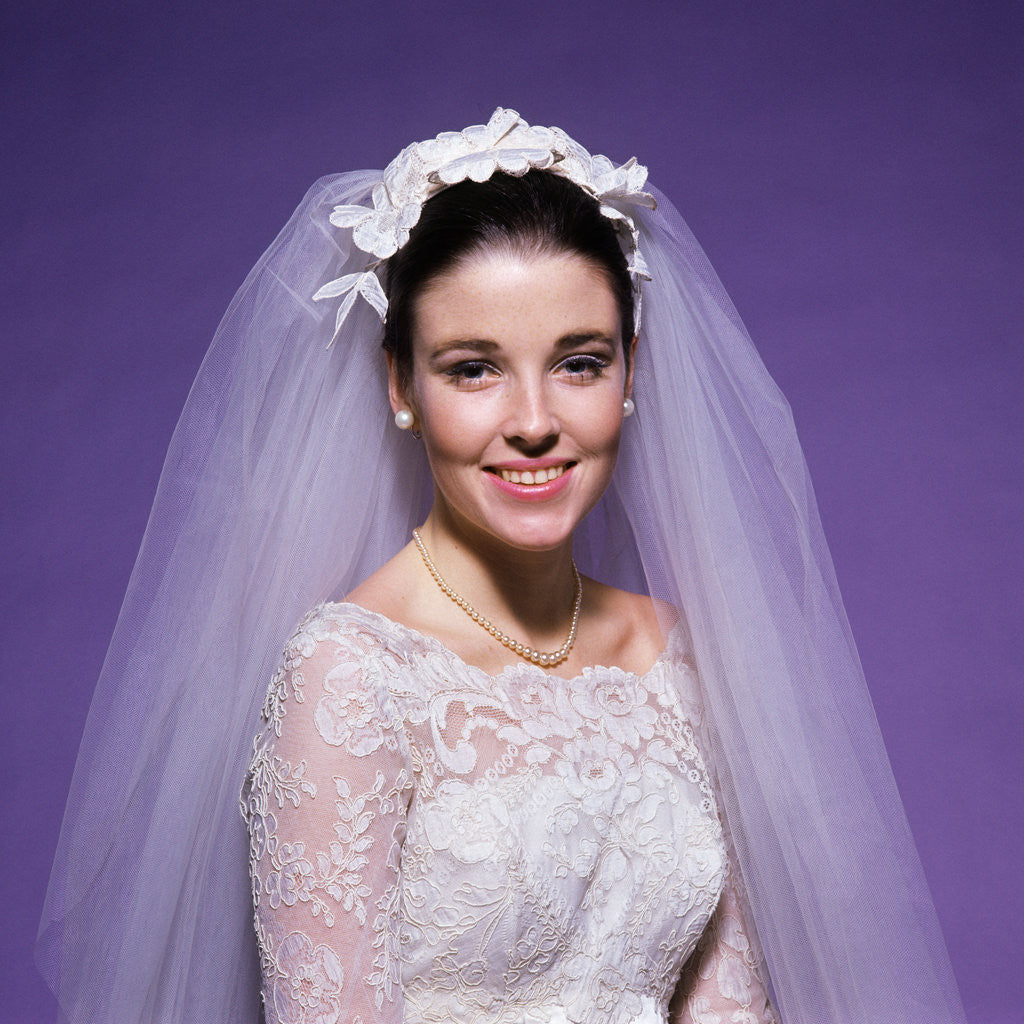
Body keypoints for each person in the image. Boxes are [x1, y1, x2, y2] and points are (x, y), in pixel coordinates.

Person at [39, 110, 966, 1024]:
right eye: (474, 369)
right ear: (401, 384)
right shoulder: (350, 675)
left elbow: (730, 1007)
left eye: (578, 362)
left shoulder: (681, 657)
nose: (531, 419)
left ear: (631, 374)